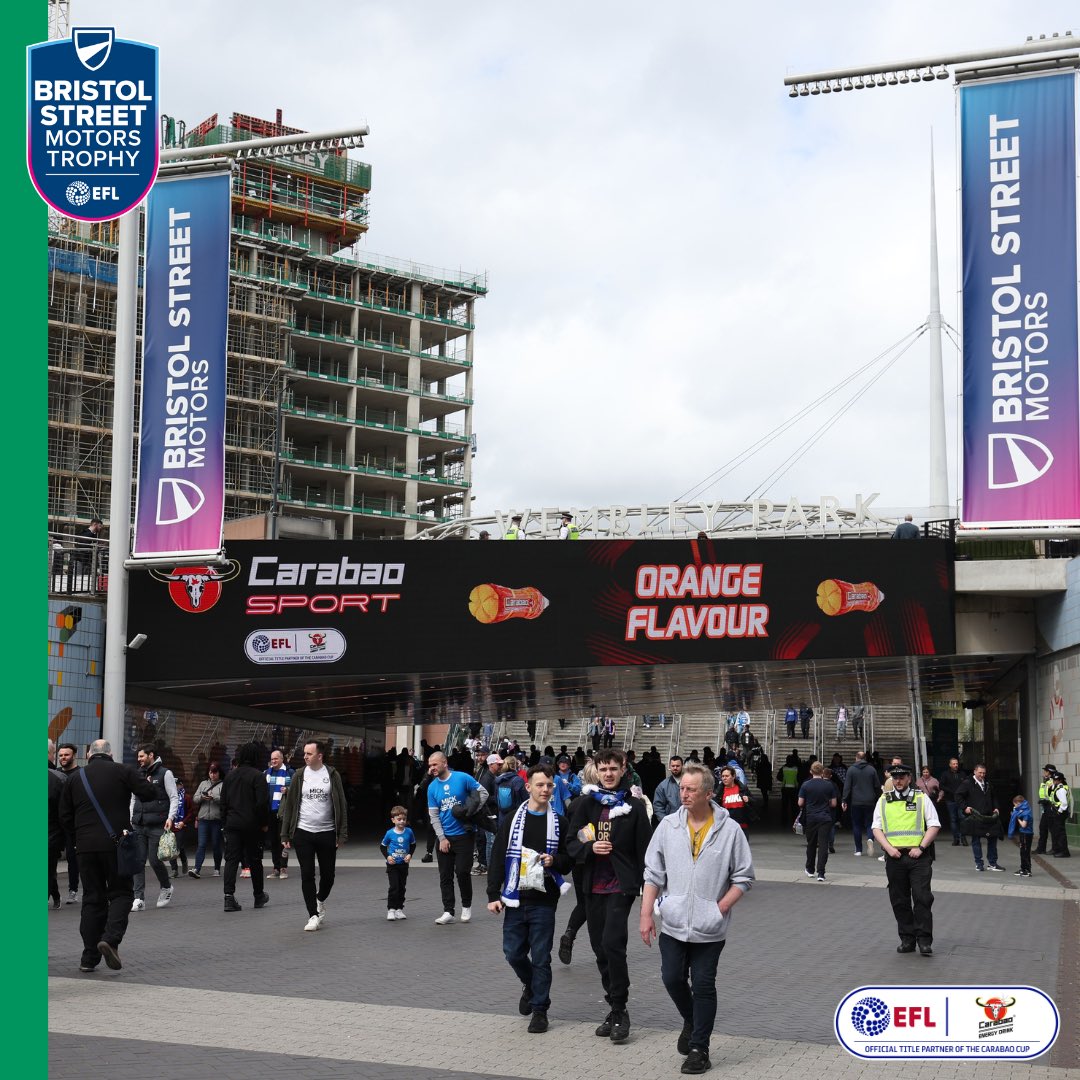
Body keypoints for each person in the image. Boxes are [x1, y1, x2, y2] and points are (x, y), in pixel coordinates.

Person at [640, 762, 754, 1074]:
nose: (684, 794)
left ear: (708, 793)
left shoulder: (728, 830)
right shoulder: (668, 826)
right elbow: (653, 873)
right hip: (673, 922)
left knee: (703, 984)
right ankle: (692, 1020)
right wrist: (646, 914)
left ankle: (699, 1048)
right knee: (672, 978)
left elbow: (743, 877)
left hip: (710, 927)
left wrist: (720, 908)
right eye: (682, 789)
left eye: (691, 789)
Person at [567, 749, 651, 1045]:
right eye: (603, 769)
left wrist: (648, 895)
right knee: (599, 948)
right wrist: (589, 849)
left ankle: (620, 1009)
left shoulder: (635, 806)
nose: (608, 774)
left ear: (623, 768)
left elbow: (646, 850)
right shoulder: (585, 804)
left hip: (621, 885)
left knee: (613, 944)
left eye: (613, 769)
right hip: (591, 885)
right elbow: (571, 842)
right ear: (596, 771)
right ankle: (613, 1007)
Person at [487, 764, 574, 1033]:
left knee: (541, 957)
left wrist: (555, 860)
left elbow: (569, 861)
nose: (545, 790)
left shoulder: (560, 822)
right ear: (528, 787)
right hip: (514, 898)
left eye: (549, 785)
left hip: (544, 900)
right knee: (513, 953)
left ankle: (540, 1010)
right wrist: (493, 894)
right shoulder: (513, 819)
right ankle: (531, 985)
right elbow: (498, 856)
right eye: (540, 785)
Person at [57, 739, 157, 972]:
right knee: (122, 892)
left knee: (92, 898)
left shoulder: (74, 778)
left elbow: (64, 815)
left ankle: (88, 957)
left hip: (85, 847)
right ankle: (110, 939)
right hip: (116, 845)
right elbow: (149, 793)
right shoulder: (123, 771)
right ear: (110, 753)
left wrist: (78, 837)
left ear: (89, 753)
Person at [871, 762, 940, 955]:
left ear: (909, 778)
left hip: (918, 857)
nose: (898, 781)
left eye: (902, 777)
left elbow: (934, 825)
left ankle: (924, 940)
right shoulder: (883, 800)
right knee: (899, 900)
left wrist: (921, 847)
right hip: (894, 858)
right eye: (895, 778)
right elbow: (876, 828)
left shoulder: (921, 798)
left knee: (922, 898)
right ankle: (907, 939)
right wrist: (888, 849)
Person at [280, 740, 348, 931]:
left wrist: (341, 833)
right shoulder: (300, 775)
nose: (305, 757)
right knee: (307, 874)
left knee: (328, 876)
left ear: (320, 756)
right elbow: (290, 805)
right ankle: (312, 915)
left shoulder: (332, 775)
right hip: (303, 832)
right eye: (304, 754)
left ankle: (320, 899)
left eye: (309, 754)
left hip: (327, 833)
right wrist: (285, 834)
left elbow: (341, 804)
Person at [427, 750, 488, 925]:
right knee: (445, 876)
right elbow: (434, 815)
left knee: (462, 872)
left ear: (444, 763)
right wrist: (442, 837)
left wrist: (471, 812)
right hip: (445, 837)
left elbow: (483, 793)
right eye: (430, 765)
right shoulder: (432, 787)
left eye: (435, 764)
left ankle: (466, 906)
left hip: (464, 835)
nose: (432, 768)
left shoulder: (462, 778)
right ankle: (448, 911)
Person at [220, 742, 271, 913]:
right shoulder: (258, 776)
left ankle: (228, 897)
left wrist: (224, 823)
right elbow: (262, 803)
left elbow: (223, 803)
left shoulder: (230, 776)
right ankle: (258, 895)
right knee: (255, 860)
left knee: (231, 860)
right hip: (252, 825)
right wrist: (264, 823)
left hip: (232, 824)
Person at [130, 744, 178, 911]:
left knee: (155, 860)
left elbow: (173, 797)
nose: (139, 759)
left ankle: (166, 887)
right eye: (138, 757)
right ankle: (138, 898)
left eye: (142, 756)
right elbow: (133, 798)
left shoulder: (165, 773)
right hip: (139, 824)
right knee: (138, 861)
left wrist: (170, 817)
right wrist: (131, 818)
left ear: (151, 755)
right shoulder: (138, 773)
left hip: (157, 823)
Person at [956, 763, 1004, 872]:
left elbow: (994, 796)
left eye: (984, 773)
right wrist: (964, 807)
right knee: (976, 840)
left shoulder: (988, 783)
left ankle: (992, 863)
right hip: (976, 816)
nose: (982, 775)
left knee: (993, 839)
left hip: (989, 816)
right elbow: (958, 795)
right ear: (974, 772)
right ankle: (979, 863)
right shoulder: (967, 783)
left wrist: (996, 807)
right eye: (980, 773)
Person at [798, 761, 837, 881]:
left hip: (811, 818)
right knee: (823, 845)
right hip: (825, 818)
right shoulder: (829, 785)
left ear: (811, 771)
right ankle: (821, 873)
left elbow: (800, 803)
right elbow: (834, 803)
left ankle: (810, 869)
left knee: (811, 844)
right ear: (822, 772)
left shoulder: (806, 785)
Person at [841, 750, 882, 857]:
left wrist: (844, 800)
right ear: (865, 758)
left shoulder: (851, 770)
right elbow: (877, 786)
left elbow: (847, 786)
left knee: (856, 824)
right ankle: (870, 838)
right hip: (870, 801)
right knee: (870, 823)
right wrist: (879, 798)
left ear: (856, 758)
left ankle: (858, 849)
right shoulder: (872, 769)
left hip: (856, 801)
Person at [56, 743, 82, 903]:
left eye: (66, 755)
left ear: (74, 755)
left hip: (73, 824)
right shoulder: (55, 774)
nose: (63, 758)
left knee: (73, 859)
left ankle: (73, 890)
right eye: (60, 755)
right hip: (56, 824)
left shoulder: (80, 774)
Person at [381, 805, 416, 919]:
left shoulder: (409, 832)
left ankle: (399, 909)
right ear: (393, 820)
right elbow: (382, 846)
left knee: (402, 887)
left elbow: (413, 845)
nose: (401, 821)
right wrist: (388, 857)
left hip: (403, 865)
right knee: (394, 887)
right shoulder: (389, 833)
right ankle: (391, 909)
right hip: (393, 865)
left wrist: (410, 854)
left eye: (404, 819)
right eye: (399, 819)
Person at [189, 762, 223, 877]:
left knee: (216, 845)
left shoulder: (223, 785)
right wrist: (202, 797)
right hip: (203, 818)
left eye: (215, 772)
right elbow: (195, 798)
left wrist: (214, 797)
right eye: (210, 772)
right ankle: (196, 869)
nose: (212, 775)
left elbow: (226, 800)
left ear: (219, 773)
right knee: (201, 844)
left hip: (216, 819)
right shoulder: (203, 783)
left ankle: (217, 868)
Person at [264, 749, 294, 879]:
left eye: (276, 759)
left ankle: (283, 868)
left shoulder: (290, 772)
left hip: (283, 813)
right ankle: (276, 868)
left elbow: (297, 789)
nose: (274, 761)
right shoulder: (266, 773)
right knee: (273, 841)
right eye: (272, 759)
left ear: (282, 759)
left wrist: (288, 790)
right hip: (270, 812)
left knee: (283, 841)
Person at [48, 739, 66, 910]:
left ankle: (54, 895)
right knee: (48, 869)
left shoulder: (58, 778)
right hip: (52, 835)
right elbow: (64, 812)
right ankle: (55, 895)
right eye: (54, 753)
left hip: (51, 834)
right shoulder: (59, 778)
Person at [938, 757, 968, 846]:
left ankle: (963, 837)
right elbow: (941, 785)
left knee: (962, 819)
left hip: (961, 801)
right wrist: (951, 791)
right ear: (950, 765)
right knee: (953, 819)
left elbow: (967, 785)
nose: (956, 765)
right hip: (950, 800)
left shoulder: (962, 774)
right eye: (954, 764)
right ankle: (956, 838)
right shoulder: (945, 774)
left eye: (957, 764)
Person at [1046, 770, 1072, 858]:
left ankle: (1064, 851)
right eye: (1053, 780)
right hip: (1059, 812)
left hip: (1060, 812)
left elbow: (1064, 803)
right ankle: (1060, 850)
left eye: (1056, 780)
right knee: (1058, 832)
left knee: (1060, 833)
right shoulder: (1060, 787)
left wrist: (1059, 812)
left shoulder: (1060, 789)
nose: (1054, 781)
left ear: (1060, 780)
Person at [652, 756, 684, 826]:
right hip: (671, 823)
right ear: (670, 767)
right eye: (673, 766)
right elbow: (658, 806)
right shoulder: (663, 786)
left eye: (678, 766)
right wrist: (666, 822)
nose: (675, 768)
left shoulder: (690, 782)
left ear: (682, 766)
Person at [1008, 793, 1034, 877]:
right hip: (1025, 833)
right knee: (1024, 851)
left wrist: (1017, 817)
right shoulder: (1025, 810)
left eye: (1015, 805)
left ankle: (1026, 870)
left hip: (1026, 834)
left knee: (1024, 852)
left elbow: (1023, 825)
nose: (1015, 807)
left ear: (1018, 803)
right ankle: (1024, 869)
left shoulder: (1025, 813)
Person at [717, 766, 750, 831]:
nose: (724, 778)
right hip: (726, 827)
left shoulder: (742, 789)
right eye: (723, 776)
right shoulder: (719, 791)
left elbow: (754, 802)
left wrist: (748, 799)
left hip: (742, 827)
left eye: (727, 776)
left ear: (733, 776)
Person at [1034, 763, 1056, 855]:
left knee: (1052, 829)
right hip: (1045, 807)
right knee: (1042, 828)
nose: (1044, 772)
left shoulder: (1052, 781)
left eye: (1045, 771)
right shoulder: (1045, 780)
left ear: (1049, 772)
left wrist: (1047, 801)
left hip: (1050, 807)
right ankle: (1041, 848)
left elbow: (1053, 794)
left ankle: (1055, 848)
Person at [778, 753, 800, 828]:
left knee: (785, 806)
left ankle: (784, 821)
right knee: (794, 806)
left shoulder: (783, 768)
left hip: (785, 788)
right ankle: (794, 820)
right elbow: (799, 778)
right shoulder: (796, 768)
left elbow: (779, 777)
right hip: (794, 789)